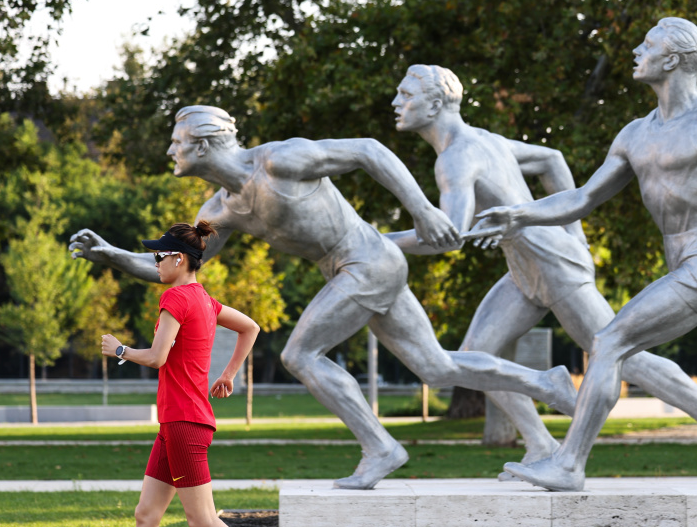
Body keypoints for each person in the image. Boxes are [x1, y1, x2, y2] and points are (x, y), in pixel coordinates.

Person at [69, 105, 578, 490]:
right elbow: (172, 268)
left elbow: (370, 151)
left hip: (365, 261)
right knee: (438, 368)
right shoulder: (220, 209)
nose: (170, 151)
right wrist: (111, 254)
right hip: (356, 269)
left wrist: (423, 211)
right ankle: (544, 381)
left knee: (300, 353)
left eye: (176, 142)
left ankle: (380, 447)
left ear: (203, 144)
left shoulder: (281, 159)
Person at [471, 17, 697, 491]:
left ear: (672, 60)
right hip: (688, 264)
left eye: (647, 44)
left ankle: (568, 464)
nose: (635, 50)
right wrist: (520, 215)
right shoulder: (634, 134)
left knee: (610, 341)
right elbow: (583, 198)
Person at [387, 63, 697, 481]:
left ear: (434, 105)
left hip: (555, 265)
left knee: (621, 356)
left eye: (405, 95)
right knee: (475, 356)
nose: (396, 103)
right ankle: (540, 442)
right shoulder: (484, 141)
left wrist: (378, 242)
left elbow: (448, 235)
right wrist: (574, 230)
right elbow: (550, 159)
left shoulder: (456, 158)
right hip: (524, 268)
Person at [75, 221, 289, 527]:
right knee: (147, 513)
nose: (154, 262)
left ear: (179, 259)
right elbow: (251, 327)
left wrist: (119, 349)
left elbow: (157, 357)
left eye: (159, 256)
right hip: (176, 421)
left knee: (202, 521)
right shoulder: (205, 301)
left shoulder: (176, 297)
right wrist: (228, 374)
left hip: (185, 422)